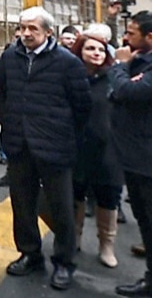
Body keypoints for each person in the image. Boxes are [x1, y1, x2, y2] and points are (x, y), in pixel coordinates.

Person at [0, 6, 90, 291]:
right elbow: (4, 94)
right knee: (22, 205)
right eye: (23, 27)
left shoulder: (67, 62)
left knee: (61, 209)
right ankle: (30, 253)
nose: (25, 33)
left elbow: (82, 106)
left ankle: (64, 262)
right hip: (18, 144)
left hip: (54, 146)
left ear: (49, 32)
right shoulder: (10, 57)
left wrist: (61, 132)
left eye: (32, 29)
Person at [69, 29, 122, 268]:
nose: (96, 53)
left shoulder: (115, 77)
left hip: (109, 151)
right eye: (90, 48)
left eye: (101, 49)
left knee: (108, 199)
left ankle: (106, 246)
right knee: (75, 196)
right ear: (79, 51)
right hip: (76, 148)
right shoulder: (70, 76)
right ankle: (75, 238)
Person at [109, 10, 151, 297]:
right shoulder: (139, 61)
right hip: (134, 157)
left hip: (146, 158)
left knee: (148, 217)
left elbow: (126, 91)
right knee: (143, 217)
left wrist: (121, 66)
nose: (126, 38)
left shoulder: (137, 65)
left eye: (132, 33)